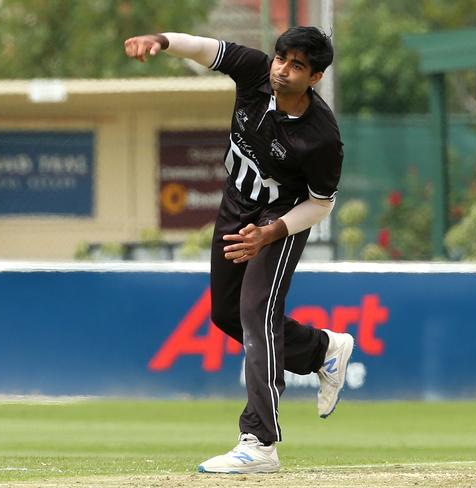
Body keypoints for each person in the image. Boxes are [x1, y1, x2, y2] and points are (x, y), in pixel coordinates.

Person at [124, 26, 354, 474]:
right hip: (235, 209)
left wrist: (270, 233)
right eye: (280, 58)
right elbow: (208, 49)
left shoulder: (322, 137)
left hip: (280, 222)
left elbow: (321, 204)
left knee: (256, 314)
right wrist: (162, 41)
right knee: (225, 313)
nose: (282, 70)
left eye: (297, 65)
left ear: (316, 77)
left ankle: (260, 442)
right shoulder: (255, 75)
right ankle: (321, 350)